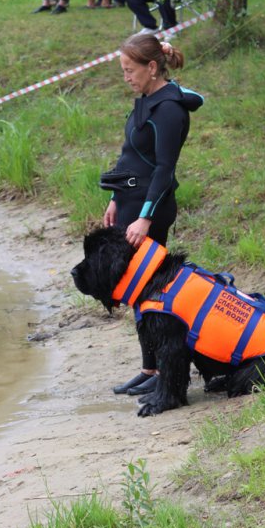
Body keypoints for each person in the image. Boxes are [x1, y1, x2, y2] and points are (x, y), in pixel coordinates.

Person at [101, 33, 204, 396]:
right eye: (123, 70)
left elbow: (164, 169)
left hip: (151, 210)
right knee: (136, 290)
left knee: (151, 291)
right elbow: (129, 154)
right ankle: (150, 367)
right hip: (130, 204)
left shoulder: (170, 109)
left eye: (130, 69)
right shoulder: (146, 100)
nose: (126, 76)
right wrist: (116, 197)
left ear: (152, 67)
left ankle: (163, 369)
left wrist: (145, 218)